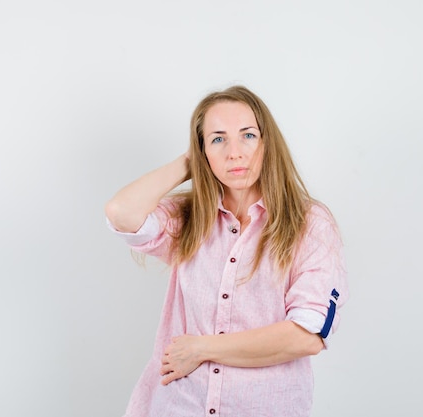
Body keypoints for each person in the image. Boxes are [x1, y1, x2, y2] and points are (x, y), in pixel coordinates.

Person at [105, 85, 348, 417]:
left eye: (248, 135)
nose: (235, 153)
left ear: (268, 143)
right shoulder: (189, 218)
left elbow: (306, 335)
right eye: (218, 139)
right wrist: (189, 162)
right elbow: (121, 212)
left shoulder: (310, 225)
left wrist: (203, 349)